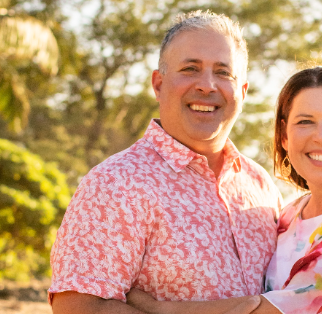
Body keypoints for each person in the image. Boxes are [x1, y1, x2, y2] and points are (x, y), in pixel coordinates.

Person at [126, 64, 322, 313]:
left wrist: (161, 308)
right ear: (284, 137)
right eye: (305, 122)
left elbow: (294, 306)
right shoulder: (289, 215)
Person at [49, 10, 282, 314]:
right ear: (158, 84)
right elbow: (78, 306)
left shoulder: (261, 184)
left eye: (224, 72)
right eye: (190, 69)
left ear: (243, 91)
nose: (207, 85)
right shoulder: (117, 182)